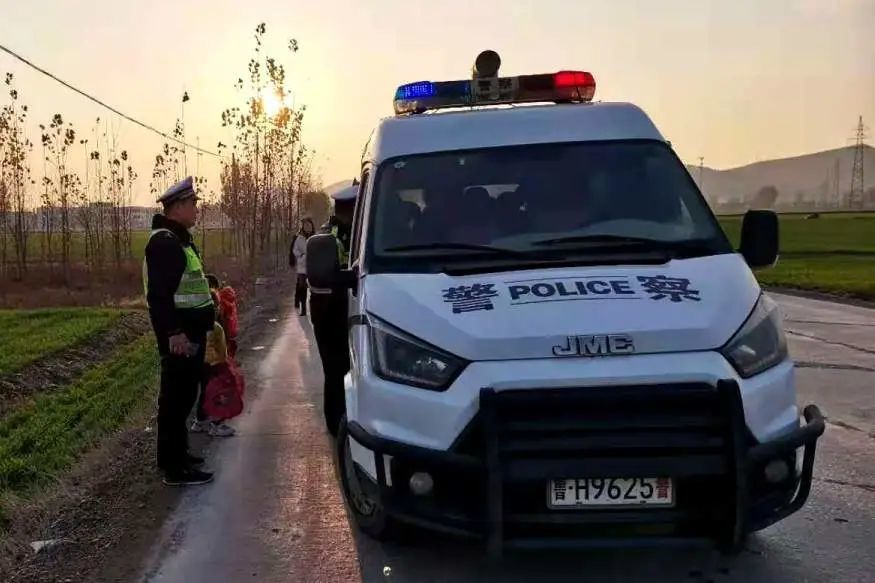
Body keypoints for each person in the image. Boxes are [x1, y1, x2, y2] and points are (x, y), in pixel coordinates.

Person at [143, 176, 215, 486]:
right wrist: (174, 333)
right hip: (180, 337)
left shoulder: (179, 240)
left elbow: (187, 283)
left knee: (183, 397)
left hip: (189, 334)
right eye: (194, 205)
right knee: (176, 399)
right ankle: (175, 468)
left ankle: (178, 454)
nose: (197, 210)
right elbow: (159, 295)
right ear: (179, 207)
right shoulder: (165, 243)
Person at [308, 182, 356, 435]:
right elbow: (328, 274)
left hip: (352, 308)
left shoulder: (360, 231)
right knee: (336, 370)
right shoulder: (332, 237)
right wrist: (353, 276)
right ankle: (337, 425)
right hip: (332, 313)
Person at [191, 286, 237, 437]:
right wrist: (224, 366)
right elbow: (220, 349)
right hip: (214, 365)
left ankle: (200, 421)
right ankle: (217, 424)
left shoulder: (195, 326)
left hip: (199, 365)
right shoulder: (216, 327)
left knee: (204, 393)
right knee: (217, 393)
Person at [291, 218, 315, 316]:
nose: (307, 227)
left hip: (313, 267)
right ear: (303, 227)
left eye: (309, 225)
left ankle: (313, 308)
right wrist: (301, 256)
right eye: (305, 225)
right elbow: (294, 250)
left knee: (314, 288)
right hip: (302, 267)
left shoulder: (315, 237)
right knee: (302, 287)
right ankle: (303, 308)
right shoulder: (299, 238)